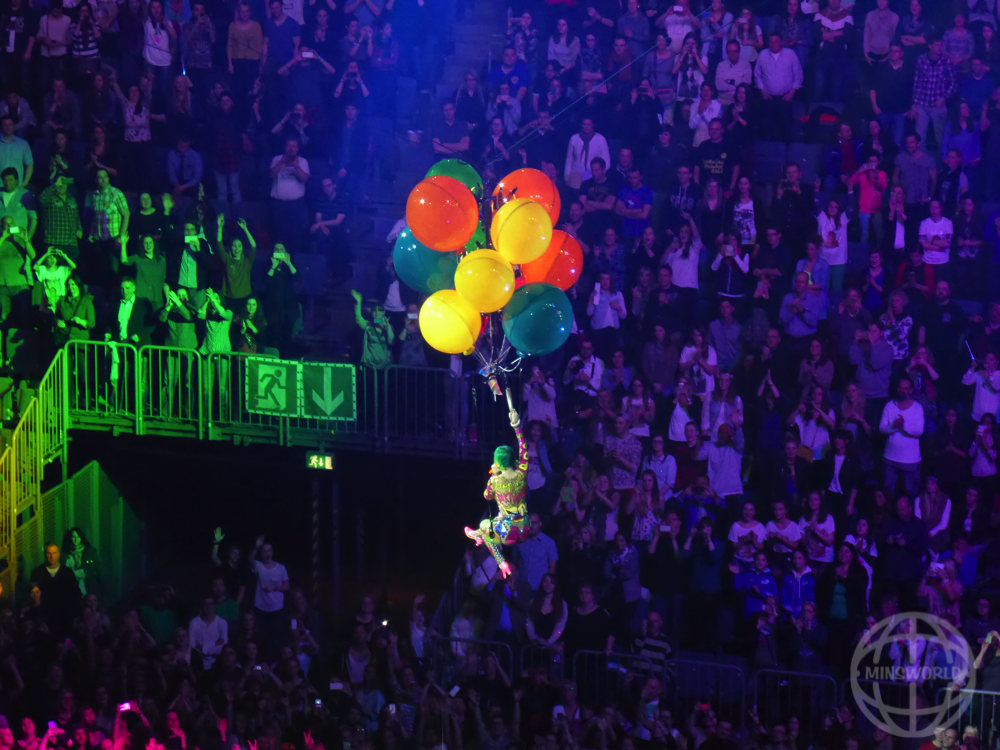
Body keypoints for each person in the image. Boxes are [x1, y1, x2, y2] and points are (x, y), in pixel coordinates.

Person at [879, 375, 925, 497]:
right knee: (887, 494)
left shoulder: (917, 408)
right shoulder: (889, 405)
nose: (901, 390)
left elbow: (919, 431)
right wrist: (894, 425)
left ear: (911, 390)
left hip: (910, 459)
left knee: (911, 494)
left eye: (905, 388)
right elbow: (881, 428)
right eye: (900, 387)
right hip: (890, 457)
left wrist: (904, 425)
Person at [247, 536, 289, 659]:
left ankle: (274, 663)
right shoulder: (259, 566)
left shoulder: (281, 568)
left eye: (269, 550)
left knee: (275, 637)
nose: (267, 553)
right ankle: (260, 664)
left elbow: (287, 586)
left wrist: (274, 587)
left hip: (277, 608)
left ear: (272, 552)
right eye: (264, 550)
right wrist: (256, 546)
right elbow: (250, 560)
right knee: (262, 637)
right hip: (261, 607)